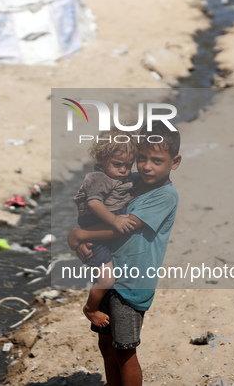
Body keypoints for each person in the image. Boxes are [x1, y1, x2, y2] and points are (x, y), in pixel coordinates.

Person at [67, 122, 181, 386]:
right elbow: (101, 207)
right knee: (106, 345)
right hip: (110, 273)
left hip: (132, 284)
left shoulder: (164, 196)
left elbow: (122, 229)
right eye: (141, 158)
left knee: (125, 351)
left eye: (156, 160)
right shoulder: (131, 182)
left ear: (175, 162)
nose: (146, 166)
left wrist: (80, 236)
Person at [73, 128, 138, 328]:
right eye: (118, 165)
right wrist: (114, 220)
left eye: (128, 165)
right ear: (101, 158)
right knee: (107, 279)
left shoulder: (118, 177)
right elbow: (93, 203)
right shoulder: (98, 178)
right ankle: (90, 308)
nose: (124, 171)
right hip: (96, 231)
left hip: (104, 228)